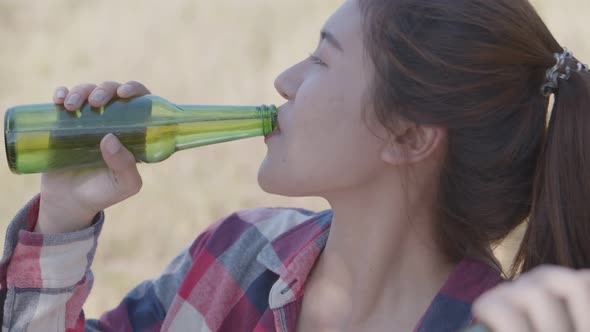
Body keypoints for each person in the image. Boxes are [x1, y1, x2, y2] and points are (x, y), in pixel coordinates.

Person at [1, 0, 590, 331]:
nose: (283, 82)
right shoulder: (237, 254)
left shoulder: (496, 326)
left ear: (408, 136)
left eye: (321, 61)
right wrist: (63, 216)